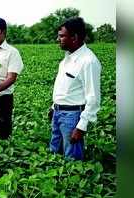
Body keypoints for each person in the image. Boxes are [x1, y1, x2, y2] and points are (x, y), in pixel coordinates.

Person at [49, 17, 101, 160]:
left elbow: (93, 98)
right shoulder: (67, 58)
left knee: (72, 160)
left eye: (62, 36)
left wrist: (81, 126)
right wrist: (54, 107)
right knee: (54, 154)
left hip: (72, 117)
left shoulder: (88, 61)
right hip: (58, 114)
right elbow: (66, 88)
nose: (58, 39)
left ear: (74, 37)